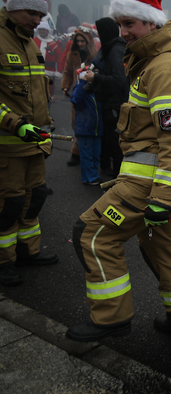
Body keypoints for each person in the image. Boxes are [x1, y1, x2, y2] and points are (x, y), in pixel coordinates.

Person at [67, 0, 171, 343]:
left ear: (152, 23)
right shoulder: (157, 59)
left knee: (91, 233)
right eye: (120, 23)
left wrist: (161, 198)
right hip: (168, 182)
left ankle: (111, 318)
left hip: (152, 183)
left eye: (130, 23)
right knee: (164, 247)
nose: (123, 31)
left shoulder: (164, 67)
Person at [0, 0, 59, 287]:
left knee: (34, 198)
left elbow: (34, 92)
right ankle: (3, 263)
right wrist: (15, 124)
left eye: (40, 14)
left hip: (34, 143)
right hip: (8, 146)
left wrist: (45, 123)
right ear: (12, 7)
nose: (37, 20)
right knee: (7, 205)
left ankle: (26, 252)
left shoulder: (30, 42)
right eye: (31, 12)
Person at [83, 16, 128, 178]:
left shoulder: (116, 51)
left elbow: (119, 80)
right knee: (110, 141)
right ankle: (111, 173)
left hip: (116, 105)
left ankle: (118, 180)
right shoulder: (112, 48)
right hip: (111, 103)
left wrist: (96, 78)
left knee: (115, 144)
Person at [61, 25, 97, 167]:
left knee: (86, 124)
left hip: (90, 93)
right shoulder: (72, 54)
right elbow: (67, 72)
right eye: (79, 41)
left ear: (88, 41)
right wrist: (65, 85)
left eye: (83, 41)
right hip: (77, 93)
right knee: (76, 122)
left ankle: (77, 153)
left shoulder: (94, 55)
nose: (81, 44)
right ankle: (80, 152)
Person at [70, 68, 103, 185]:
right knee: (86, 155)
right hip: (84, 129)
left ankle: (94, 175)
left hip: (96, 129)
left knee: (95, 154)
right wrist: (81, 83)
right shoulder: (80, 90)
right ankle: (89, 178)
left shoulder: (95, 91)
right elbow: (75, 100)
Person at [33, 20, 62, 99]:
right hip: (35, 71)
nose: (41, 31)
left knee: (49, 92)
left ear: (48, 31)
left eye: (44, 29)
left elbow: (60, 58)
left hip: (50, 71)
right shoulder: (33, 41)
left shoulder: (55, 43)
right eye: (40, 29)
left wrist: (59, 71)